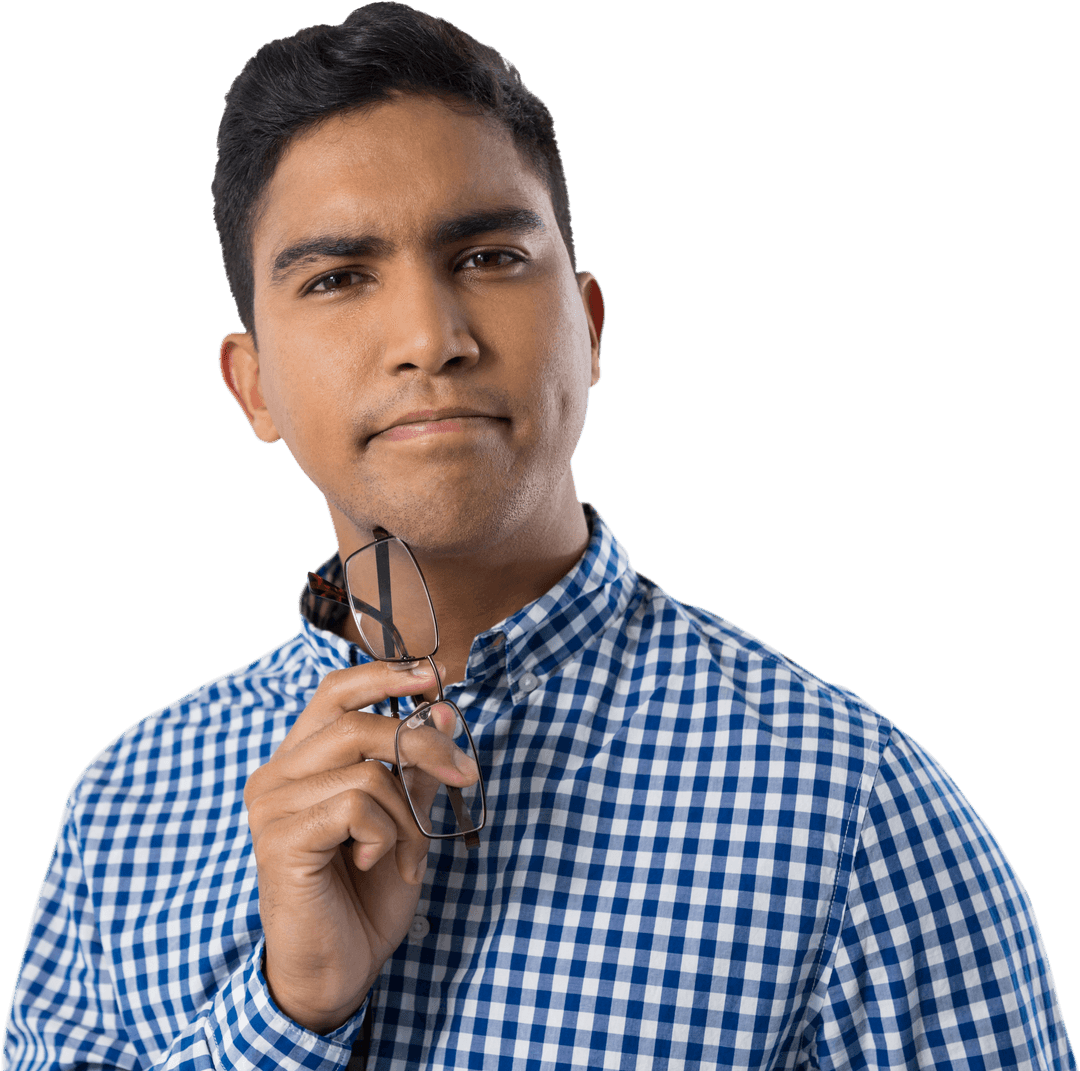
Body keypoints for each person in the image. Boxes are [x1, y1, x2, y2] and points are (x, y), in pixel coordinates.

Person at [4, 4, 1075, 1069]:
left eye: (487, 256)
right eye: (337, 278)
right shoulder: (127, 808)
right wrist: (289, 1014)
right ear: (252, 387)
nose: (431, 338)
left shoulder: (853, 817)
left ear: (590, 325)